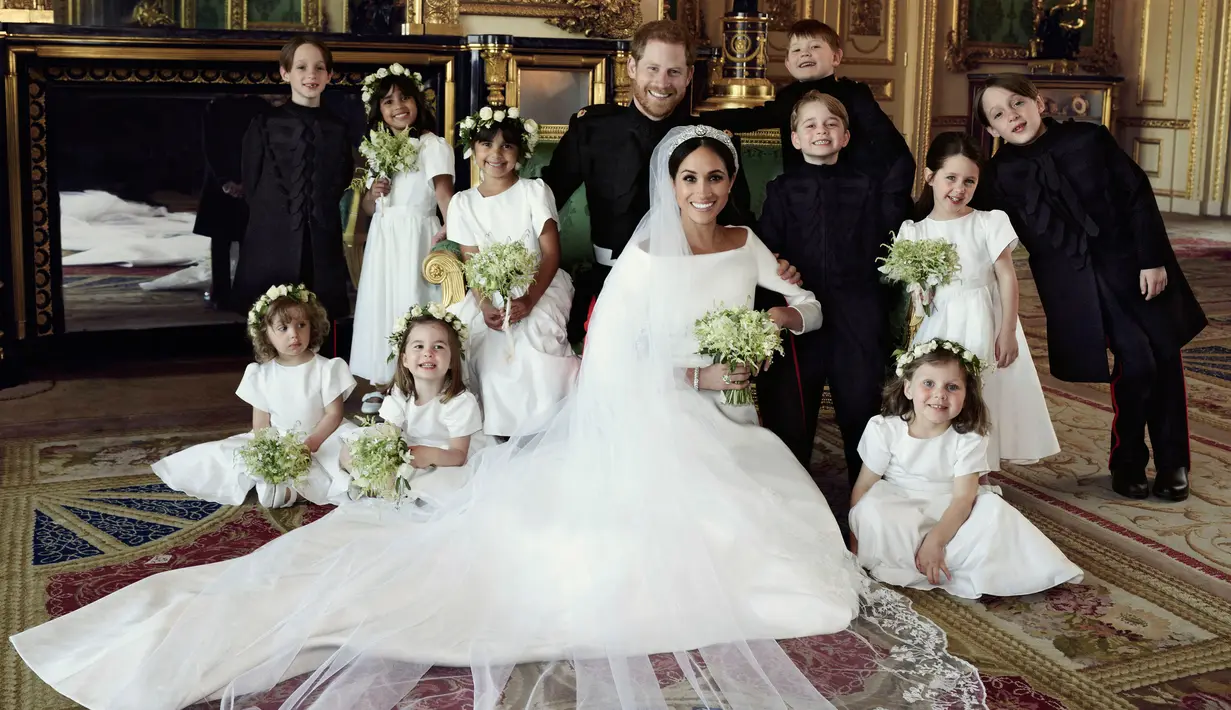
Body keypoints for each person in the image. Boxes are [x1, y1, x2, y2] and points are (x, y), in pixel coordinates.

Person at [9, 126, 984, 710]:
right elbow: (616, 353)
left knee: (785, 537)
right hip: (657, 415)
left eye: (715, 180)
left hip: (727, 411)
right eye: (689, 180)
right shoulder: (644, 260)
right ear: (669, 186)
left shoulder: (743, 237)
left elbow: (801, 303)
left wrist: (775, 317)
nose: (703, 192)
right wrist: (686, 370)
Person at [974, 73, 1207, 501]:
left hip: (1133, 266)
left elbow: (1136, 195)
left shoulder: (1089, 139)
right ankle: (1129, 459)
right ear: (992, 130)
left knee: (1164, 356)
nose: (1012, 115)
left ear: (1038, 102)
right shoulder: (999, 174)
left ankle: (1173, 463)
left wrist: (1152, 258)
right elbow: (975, 223)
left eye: (1017, 103)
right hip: (1074, 286)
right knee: (1138, 360)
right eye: (999, 114)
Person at [541, 19, 766, 342]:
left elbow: (739, 223)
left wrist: (774, 261)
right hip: (612, 280)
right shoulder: (591, 130)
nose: (662, 82)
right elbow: (545, 198)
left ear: (689, 76)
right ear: (631, 67)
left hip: (692, 285)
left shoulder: (710, 140)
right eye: (652, 68)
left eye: (674, 72)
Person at [849, 338, 1083, 598]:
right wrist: (855, 547)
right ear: (908, 388)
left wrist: (936, 540)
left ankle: (939, 556)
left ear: (966, 395)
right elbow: (864, 487)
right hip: (900, 507)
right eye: (928, 383)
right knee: (872, 508)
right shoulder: (884, 429)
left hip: (951, 509)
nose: (940, 394)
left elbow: (963, 499)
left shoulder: (969, 437)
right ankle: (910, 559)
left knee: (994, 510)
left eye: (952, 387)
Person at [897, 132, 1059, 470]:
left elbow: (1006, 278)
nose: (959, 188)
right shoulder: (914, 231)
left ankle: (980, 472)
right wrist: (920, 290)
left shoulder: (988, 222)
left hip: (984, 319)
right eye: (950, 178)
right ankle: (944, 466)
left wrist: (1008, 331)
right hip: (939, 323)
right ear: (930, 177)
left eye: (969, 181)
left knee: (983, 392)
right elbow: (915, 288)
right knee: (942, 391)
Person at [754, 92, 891, 484]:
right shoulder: (780, 189)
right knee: (790, 412)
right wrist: (778, 262)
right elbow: (768, 248)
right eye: (810, 125)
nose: (821, 131)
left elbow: (884, 244)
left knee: (862, 405)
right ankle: (792, 495)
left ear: (845, 137)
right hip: (801, 312)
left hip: (857, 310)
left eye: (831, 124)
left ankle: (865, 500)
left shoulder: (867, 187)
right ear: (795, 138)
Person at [152, 284, 357, 508]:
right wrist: (271, 453)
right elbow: (261, 423)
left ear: (312, 326)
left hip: (322, 437)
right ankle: (286, 489)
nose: (294, 334)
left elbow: (333, 414)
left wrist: (310, 444)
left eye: (301, 325)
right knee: (229, 458)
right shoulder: (261, 374)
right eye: (283, 328)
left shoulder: (327, 369)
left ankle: (309, 488)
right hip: (281, 441)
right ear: (266, 334)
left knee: (348, 456)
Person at [448, 106, 579, 437]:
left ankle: (546, 425)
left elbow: (550, 254)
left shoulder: (534, 191)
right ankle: (497, 428)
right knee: (485, 346)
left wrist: (530, 300)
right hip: (488, 291)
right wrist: (484, 304)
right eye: (486, 144)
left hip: (539, 285)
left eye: (506, 145)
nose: (496, 154)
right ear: (473, 149)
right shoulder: (462, 203)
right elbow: (473, 264)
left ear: (520, 151)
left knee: (534, 343)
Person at [704, 19, 914, 220]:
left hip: (855, 193)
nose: (805, 53)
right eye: (796, 49)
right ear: (788, 63)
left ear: (836, 57)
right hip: (805, 194)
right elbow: (753, 118)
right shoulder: (788, 99)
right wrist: (699, 118)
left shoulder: (854, 93)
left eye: (814, 47)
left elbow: (889, 144)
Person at [349, 63, 455, 415]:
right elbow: (367, 206)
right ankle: (382, 382)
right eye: (388, 101)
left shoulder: (431, 145)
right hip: (385, 238)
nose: (398, 106)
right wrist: (373, 192)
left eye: (405, 97)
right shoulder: (378, 149)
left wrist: (450, 229)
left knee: (412, 302)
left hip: (415, 236)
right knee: (384, 305)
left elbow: (444, 195)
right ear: (378, 111)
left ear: (418, 102)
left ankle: (414, 384)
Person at [231, 36, 356, 332]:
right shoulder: (263, 124)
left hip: (321, 239)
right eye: (301, 67)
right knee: (270, 321)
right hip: (271, 238)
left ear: (329, 75)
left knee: (319, 321)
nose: (310, 75)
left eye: (319, 68)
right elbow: (251, 180)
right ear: (285, 73)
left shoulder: (338, 128)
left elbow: (341, 179)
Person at [342, 303, 488, 507]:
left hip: (444, 455)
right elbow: (388, 433)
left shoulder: (460, 402)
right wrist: (384, 455)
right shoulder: (400, 394)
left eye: (438, 346)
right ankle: (371, 479)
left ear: (453, 360)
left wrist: (425, 454)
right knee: (350, 449)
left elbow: (459, 456)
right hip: (408, 449)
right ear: (404, 360)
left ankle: (388, 488)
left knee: (435, 484)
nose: (428, 353)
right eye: (419, 346)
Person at [194, 94, 271, 311]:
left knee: (250, 241)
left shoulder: (259, 106)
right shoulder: (217, 106)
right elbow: (211, 146)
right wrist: (225, 180)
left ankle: (246, 292)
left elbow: (264, 145)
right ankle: (222, 292)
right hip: (223, 183)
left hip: (252, 182)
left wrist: (250, 181)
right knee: (221, 241)